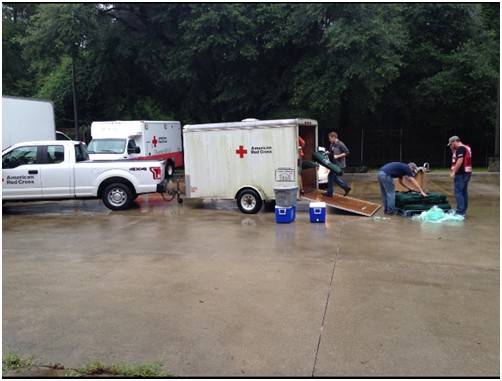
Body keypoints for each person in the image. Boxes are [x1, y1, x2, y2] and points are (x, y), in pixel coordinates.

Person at [448, 135, 472, 216]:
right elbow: (457, 156)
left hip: (461, 174)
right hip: (467, 173)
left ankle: (460, 212)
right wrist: (452, 150)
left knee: (458, 192)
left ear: (454, 142)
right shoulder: (466, 147)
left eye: (451, 144)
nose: (451, 146)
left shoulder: (460, 148)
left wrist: (454, 171)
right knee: (463, 192)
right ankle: (463, 210)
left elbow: (460, 160)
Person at [324, 131, 351, 197]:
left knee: (330, 177)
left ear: (334, 137)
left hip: (339, 165)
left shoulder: (340, 144)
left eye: (330, 138)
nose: (329, 140)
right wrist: (328, 153)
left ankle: (329, 193)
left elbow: (347, 152)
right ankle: (346, 188)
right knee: (334, 178)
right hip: (334, 164)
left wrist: (338, 156)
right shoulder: (332, 144)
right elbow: (332, 153)